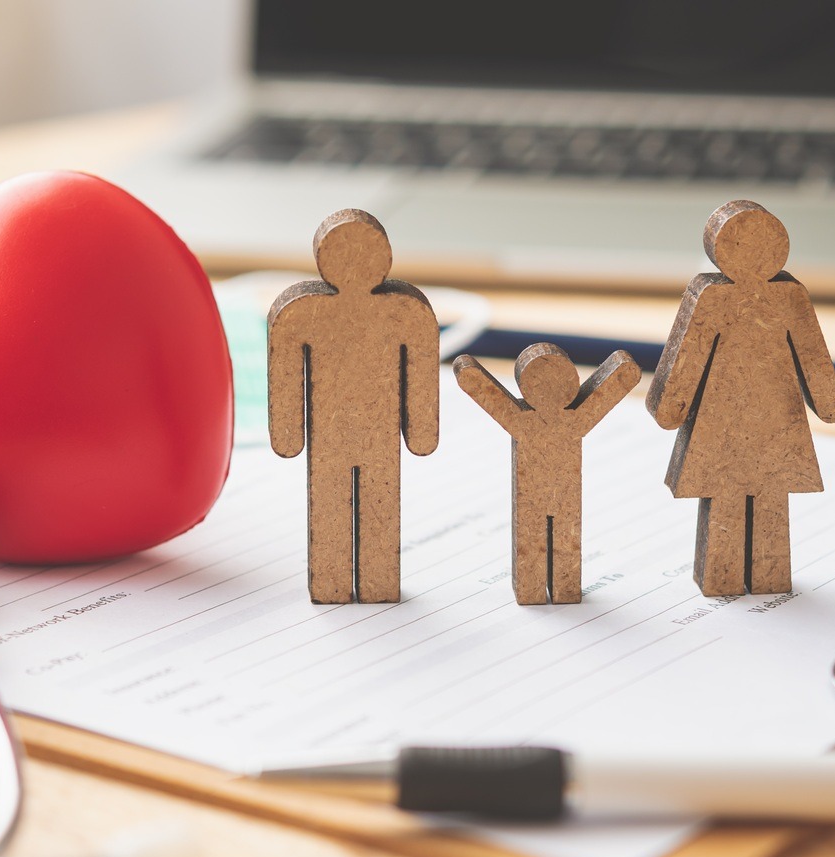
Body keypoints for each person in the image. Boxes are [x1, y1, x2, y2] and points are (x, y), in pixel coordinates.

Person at [647, 200, 835, 596]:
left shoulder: (788, 297)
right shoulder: (713, 296)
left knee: (765, 497)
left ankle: (761, 576)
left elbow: (813, 359)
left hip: (773, 424)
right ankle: (723, 577)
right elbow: (688, 355)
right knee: (729, 498)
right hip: (729, 425)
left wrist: (669, 408)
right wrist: (670, 406)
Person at [267, 210, 441, 603]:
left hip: (374, 435)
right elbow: (286, 373)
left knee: (373, 502)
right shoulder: (302, 312)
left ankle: (368, 582)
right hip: (334, 437)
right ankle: (338, 582)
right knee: (335, 504)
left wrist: (420, 433)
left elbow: (420, 371)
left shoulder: (405, 312)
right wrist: (289, 435)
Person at [454, 343, 638, 604]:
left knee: (557, 539)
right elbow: (617, 382)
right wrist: (624, 370)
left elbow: (484, 390)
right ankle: (540, 589)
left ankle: (552, 589)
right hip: (541, 495)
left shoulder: (547, 420)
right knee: (540, 540)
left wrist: (468, 373)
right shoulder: (562, 419)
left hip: (559, 495)